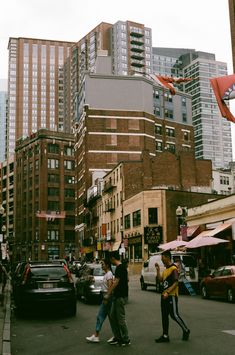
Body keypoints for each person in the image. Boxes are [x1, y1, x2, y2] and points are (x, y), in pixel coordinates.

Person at [155, 250, 190, 343]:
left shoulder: (173, 268)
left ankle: (186, 330)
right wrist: (158, 270)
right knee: (164, 316)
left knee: (174, 315)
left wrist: (168, 292)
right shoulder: (165, 270)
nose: (162, 260)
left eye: (162, 258)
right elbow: (160, 280)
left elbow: (176, 282)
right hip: (164, 296)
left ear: (167, 257)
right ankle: (165, 335)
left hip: (171, 296)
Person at [104, 251, 130, 347]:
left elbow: (116, 282)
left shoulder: (120, 268)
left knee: (120, 318)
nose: (110, 261)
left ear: (113, 258)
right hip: (117, 296)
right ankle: (118, 337)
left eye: (110, 259)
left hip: (119, 296)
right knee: (113, 316)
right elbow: (126, 280)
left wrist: (108, 293)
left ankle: (126, 339)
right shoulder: (122, 268)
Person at [86, 258, 114, 343]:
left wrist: (107, 297)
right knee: (111, 318)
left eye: (103, 264)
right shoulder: (107, 274)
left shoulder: (109, 274)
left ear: (107, 265)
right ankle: (115, 335)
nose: (102, 265)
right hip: (106, 297)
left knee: (101, 316)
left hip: (107, 298)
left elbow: (110, 286)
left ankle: (96, 335)